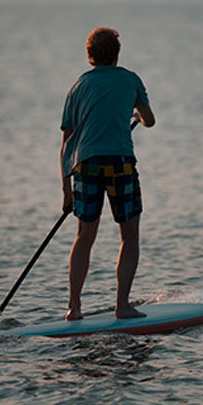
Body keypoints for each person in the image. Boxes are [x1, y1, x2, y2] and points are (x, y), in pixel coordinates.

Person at [60, 27, 156, 321]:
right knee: (129, 235)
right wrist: (137, 116)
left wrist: (66, 191)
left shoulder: (77, 87)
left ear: (90, 56)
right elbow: (150, 121)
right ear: (116, 53)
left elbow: (66, 143)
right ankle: (122, 306)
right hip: (120, 162)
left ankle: (74, 308)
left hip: (85, 165)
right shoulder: (131, 79)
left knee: (84, 235)